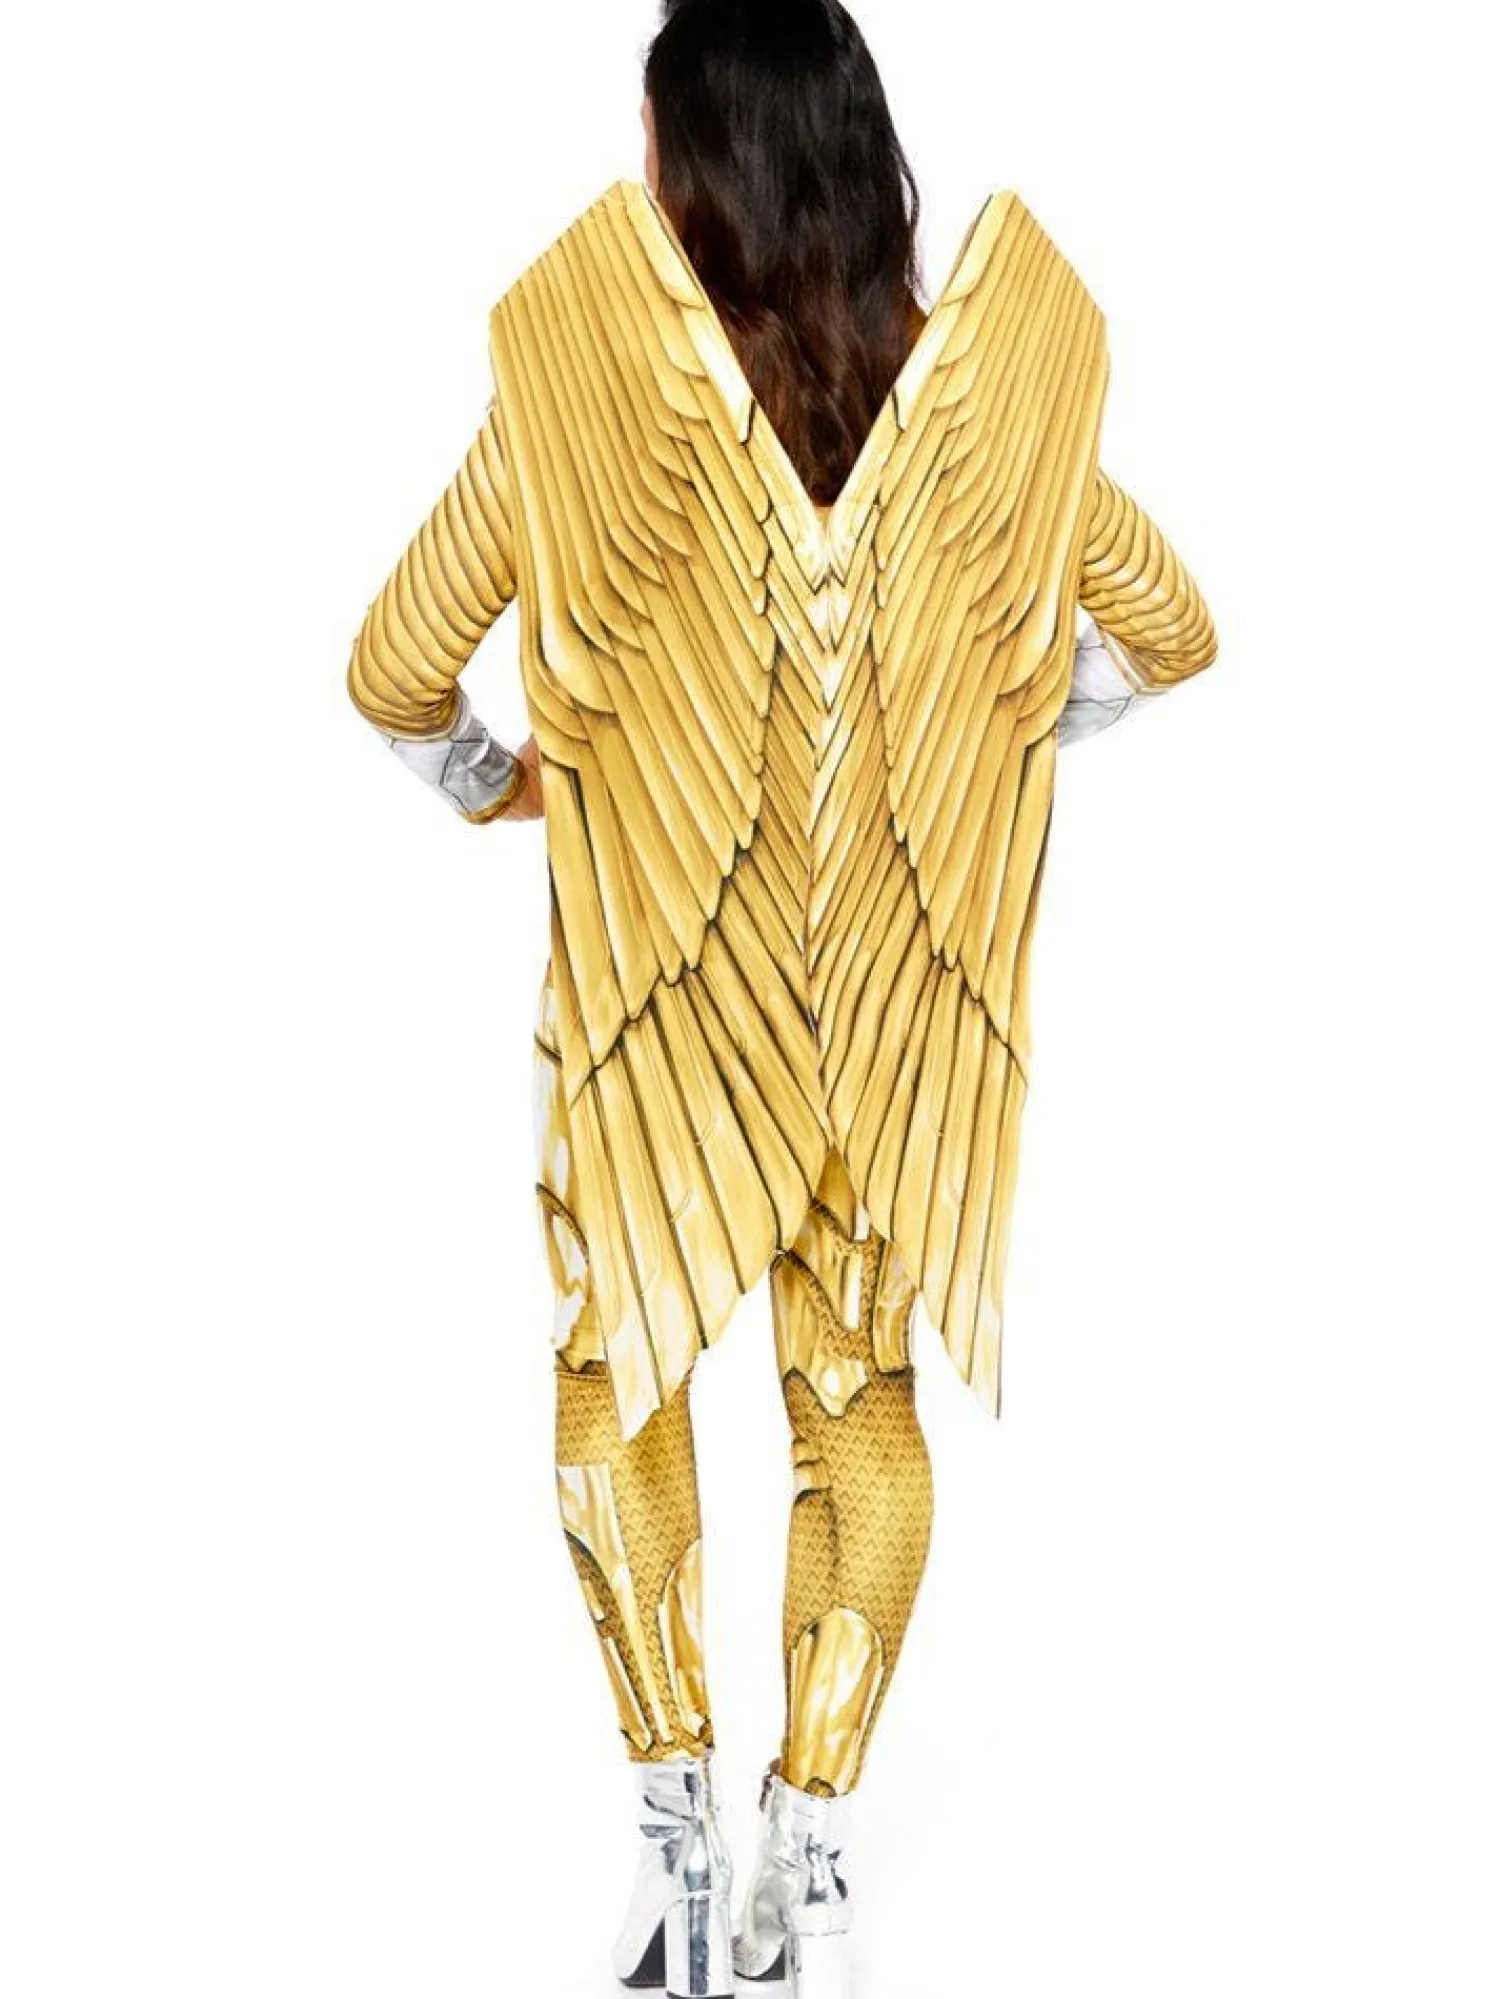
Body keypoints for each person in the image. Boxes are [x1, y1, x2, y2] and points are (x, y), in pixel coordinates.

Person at [345, 2, 1217, 1992]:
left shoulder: (582, 395)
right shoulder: (976, 403)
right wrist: (1001, 733)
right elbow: (1169, 629)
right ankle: (806, 1868)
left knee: (618, 1377)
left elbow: (397, 668)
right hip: (880, 1022)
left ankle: (676, 1860)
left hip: (652, 1021)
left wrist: (504, 787)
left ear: (693, 172)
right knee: (861, 1408)